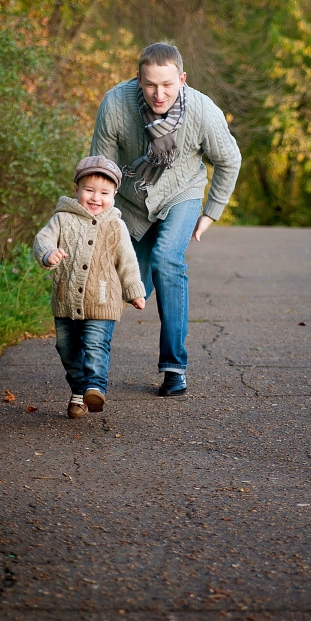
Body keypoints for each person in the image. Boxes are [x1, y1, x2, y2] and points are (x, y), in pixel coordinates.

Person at [90, 42, 241, 397]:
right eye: (151, 85)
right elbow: (102, 170)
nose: (159, 95)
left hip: (181, 193)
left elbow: (229, 160)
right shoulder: (115, 104)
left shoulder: (202, 110)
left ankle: (174, 367)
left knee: (167, 258)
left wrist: (211, 212)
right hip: (130, 201)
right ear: (138, 79)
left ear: (182, 79)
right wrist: (99, 222)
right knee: (121, 280)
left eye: (168, 85)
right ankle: (91, 372)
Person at [33, 155, 145, 419]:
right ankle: (78, 393)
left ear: (114, 194)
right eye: (89, 190)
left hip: (103, 301)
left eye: (104, 193)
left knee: (95, 345)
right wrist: (48, 253)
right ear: (77, 189)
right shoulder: (62, 219)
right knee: (67, 349)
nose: (96, 198)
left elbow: (127, 261)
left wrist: (134, 291)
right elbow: (42, 239)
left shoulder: (115, 225)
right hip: (66, 299)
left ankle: (95, 388)